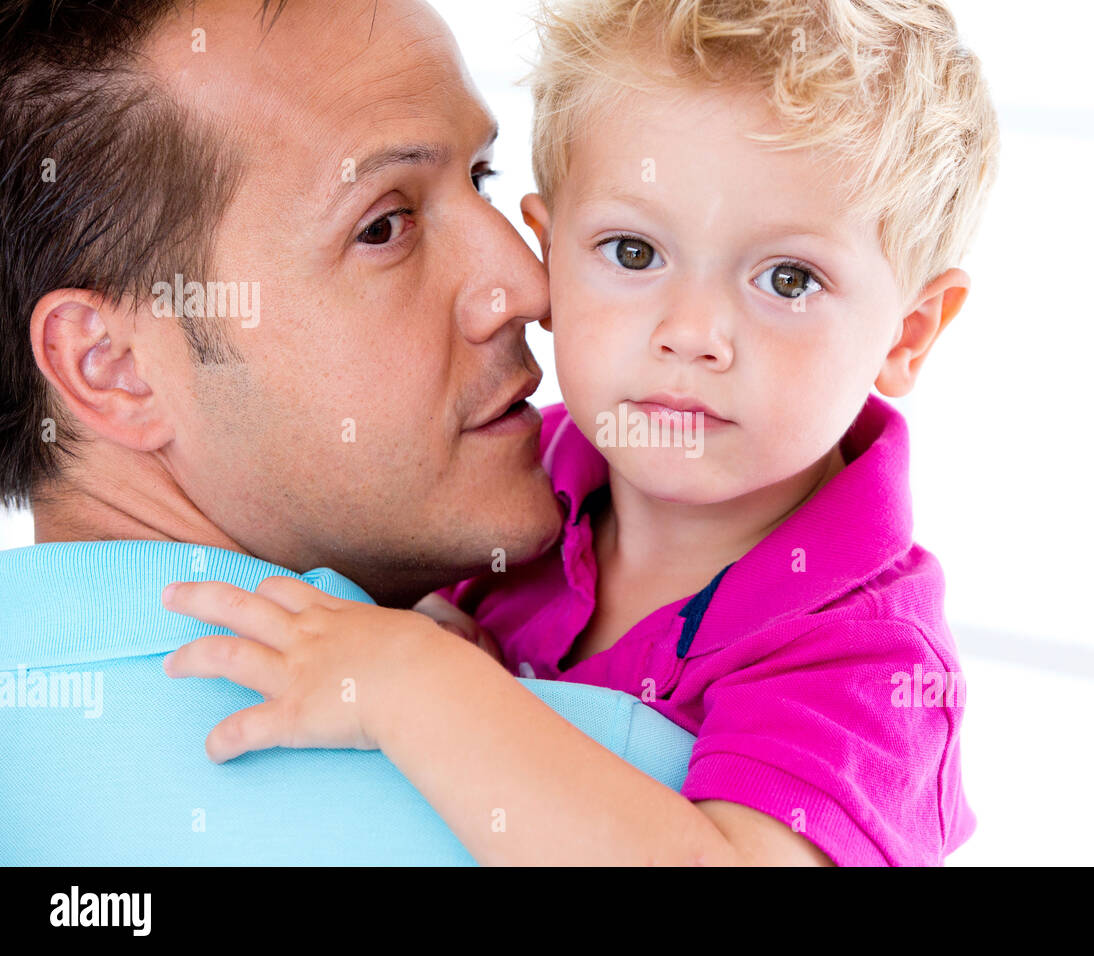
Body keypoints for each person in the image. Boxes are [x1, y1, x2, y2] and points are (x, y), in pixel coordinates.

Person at [161, 0, 999, 865]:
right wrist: (426, 626)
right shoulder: (505, 488)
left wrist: (419, 684)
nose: (691, 332)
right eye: (633, 253)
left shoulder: (867, 658)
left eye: (788, 278)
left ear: (907, 335)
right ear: (547, 258)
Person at [0, 0, 694, 865]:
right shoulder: (636, 803)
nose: (527, 283)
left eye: (480, 177)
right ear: (110, 364)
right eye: (383, 226)